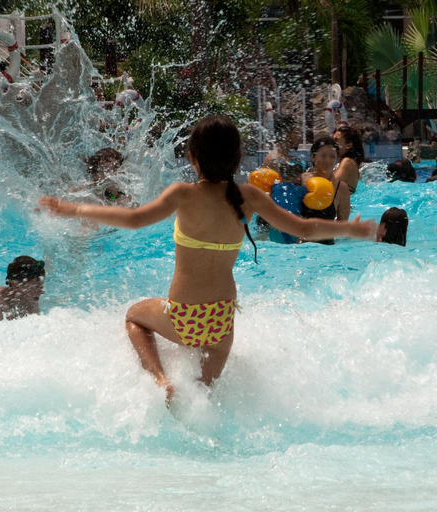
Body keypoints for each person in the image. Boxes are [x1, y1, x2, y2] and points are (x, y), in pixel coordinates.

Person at [39, 115, 375, 403]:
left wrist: (74, 208)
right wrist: (349, 229)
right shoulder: (249, 196)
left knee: (134, 318)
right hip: (222, 326)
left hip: (183, 317)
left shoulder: (182, 194)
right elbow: (304, 226)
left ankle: (161, 381)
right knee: (203, 399)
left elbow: (132, 219)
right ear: (238, 157)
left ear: (191, 156)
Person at [300, 137, 350, 245]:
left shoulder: (341, 188)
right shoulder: (301, 181)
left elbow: (342, 227)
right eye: (323, 156)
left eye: (332, 157)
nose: (328, 160)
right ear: (313, 157)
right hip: (301, 248)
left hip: (327, 249)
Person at [333, 124, 365, 194]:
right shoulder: (350, 162)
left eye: (336, 140)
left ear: (349, 145)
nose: (332, 143)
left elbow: (331, 186)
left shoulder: (347, 162)